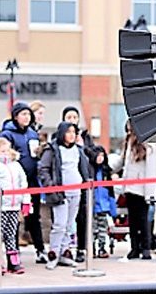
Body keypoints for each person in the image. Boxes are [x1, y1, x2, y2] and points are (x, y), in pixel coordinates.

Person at [38, 122, 90, 270]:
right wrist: (51, 186)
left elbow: (83, 168)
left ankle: (64, 252)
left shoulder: (78, 150)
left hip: (76, 191)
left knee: (69, 224)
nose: (72, 135)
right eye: (69, 132)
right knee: (59, 224)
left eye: (74, 132)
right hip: (60, 192)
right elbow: (43, 169)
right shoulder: (52, 149)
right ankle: (53, 253)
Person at [0, 102, 46, 263]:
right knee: (13, 217)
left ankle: (40, 249)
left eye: (28, 114)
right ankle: (13, 251)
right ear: (16, 116)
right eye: (23, 114)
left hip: (32, 180)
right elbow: (4, 154)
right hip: (14, 181)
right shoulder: (7, 134)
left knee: (33, 215)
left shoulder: (33, 134)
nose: (26, 117)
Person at [0, 138, 31, 274]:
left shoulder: (16, 165)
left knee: (11, 233)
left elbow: (23, 183)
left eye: (7, 150)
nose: (6, 153)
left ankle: (13, 262)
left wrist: (26, 201)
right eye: (2, 151)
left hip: (13, 206)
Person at [117, 121, 156, 260]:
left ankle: (145, 247)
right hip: (130, 187)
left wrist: (150, 193)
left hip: (142, 188)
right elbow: (124, 163)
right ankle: (134, 247)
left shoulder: (150, 144)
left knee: (144, 220)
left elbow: (152, 170)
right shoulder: (129, 142)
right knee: (133, 220)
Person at [60, 106, 93, 263]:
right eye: (69, 117)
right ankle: (63, 249)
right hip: (65, 186)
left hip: (82, 183)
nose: (72, 120)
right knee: (63, 219)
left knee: (81, 217)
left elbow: (93, 155)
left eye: (75, 117)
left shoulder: (85, 137)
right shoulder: (58, 140)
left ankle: (81, 248)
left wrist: (82, 147)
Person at [89, 145, 116, 259]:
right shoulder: (91, 170)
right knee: (92, 228)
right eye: (98, 155)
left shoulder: (106, 171)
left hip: (104, 205)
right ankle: (92, 248)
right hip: (93, 204)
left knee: (102, 228)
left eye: (102, 155)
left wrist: (112, 208)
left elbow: (111, 191)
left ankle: (101, 248)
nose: (100, 158)